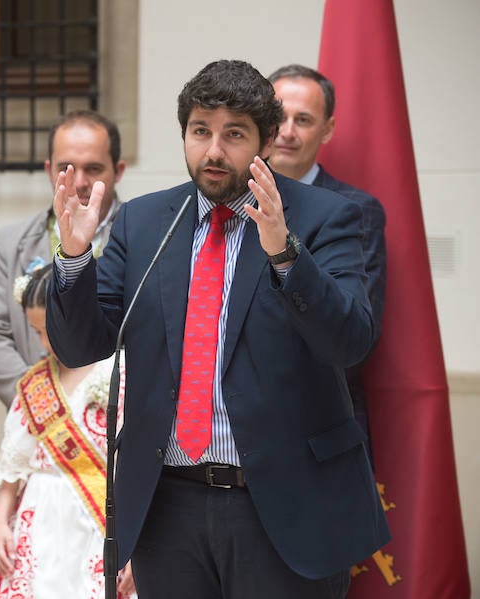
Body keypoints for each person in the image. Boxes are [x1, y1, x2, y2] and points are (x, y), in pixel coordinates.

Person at [47, 60, 390, 598]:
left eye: (233, 135)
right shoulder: (143, 222)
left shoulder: (326, 217)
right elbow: (79, 344)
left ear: (267, 139)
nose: (212, 151)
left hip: (284, 505)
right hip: (169, 507)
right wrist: (72, 256)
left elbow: (349, 341)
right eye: (200, 131)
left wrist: (283, 253)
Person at [0, 265, 136, 598]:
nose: (44, 343)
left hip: (103, 518)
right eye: (36, 332)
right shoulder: (34, 384)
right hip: (40, 517)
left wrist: (138, 549)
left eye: (50, 329)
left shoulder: (121, 372)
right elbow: (12, 464)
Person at [268, 64, 387, 457]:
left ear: (328, 130)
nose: (287, 131)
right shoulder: (228, 200)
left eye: (303, 120)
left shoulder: (355, 210)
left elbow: (355, 335)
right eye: (279, 116)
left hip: (317, 430)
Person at [0, 110, 126, 406]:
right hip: (39, 420)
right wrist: (39, 403)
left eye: (93, 168)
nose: (79, 181)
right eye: (66, 168)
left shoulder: (144, 237)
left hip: (116, 418)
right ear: (48, 169)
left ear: (117, 170)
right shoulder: (12, 241)